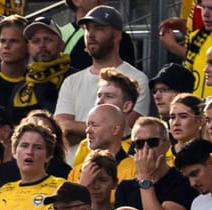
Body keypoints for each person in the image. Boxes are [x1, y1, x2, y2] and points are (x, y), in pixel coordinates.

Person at [54, 6, 148, 148]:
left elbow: (124, 129)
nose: (90, 35)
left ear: (117, 36)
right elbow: (60, 129)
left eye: (98, 28)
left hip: (117, 166)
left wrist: (73, 126)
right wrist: (103, 127)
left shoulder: (137, 79)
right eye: (87, 29)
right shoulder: (71, 81)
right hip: (72, 167)